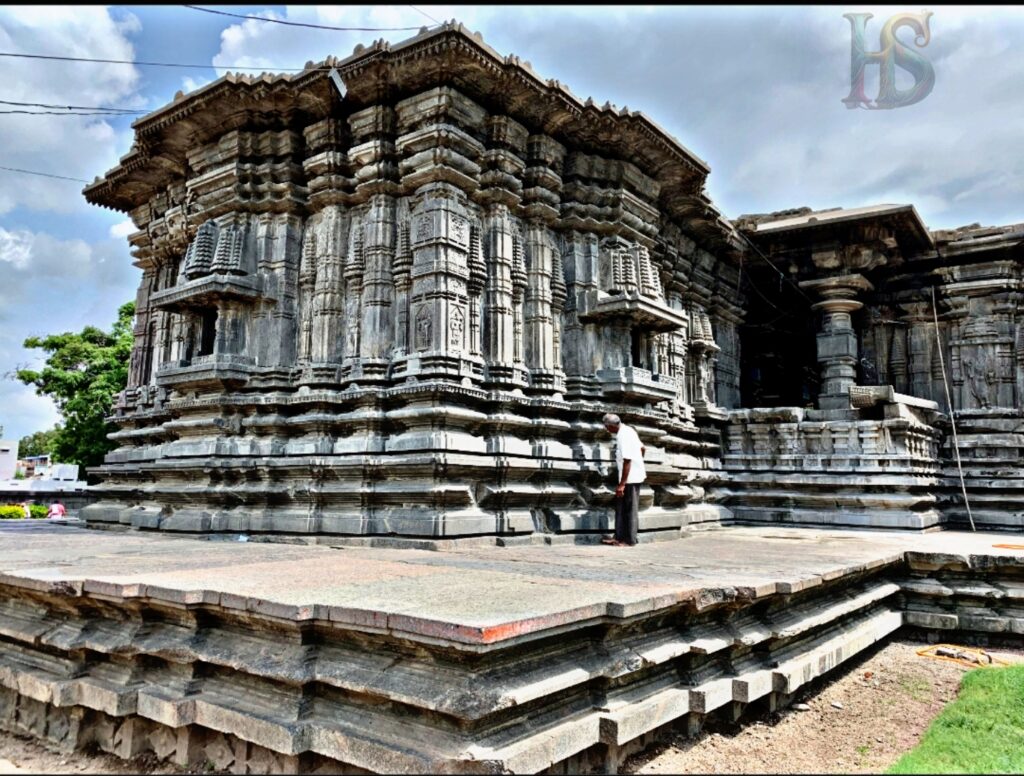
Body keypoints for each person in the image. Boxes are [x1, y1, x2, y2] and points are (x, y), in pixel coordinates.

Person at [600, 413, 646, 547]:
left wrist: (622, 484)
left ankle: (629, 540)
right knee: (621, 507)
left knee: (630, 508)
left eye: (607, 427)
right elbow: (642, 448)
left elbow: (627, 460)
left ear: (611, 426)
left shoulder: (623, 436)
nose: (606, 429)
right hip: (631, 475)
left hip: (630, 478)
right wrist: (639, 463)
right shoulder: (629, 429)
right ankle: (619, 537)